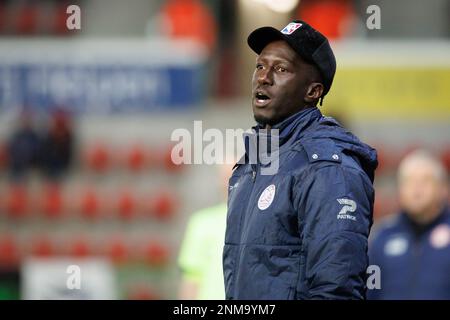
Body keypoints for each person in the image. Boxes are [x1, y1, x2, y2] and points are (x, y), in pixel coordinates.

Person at [223, 20, 378, 300]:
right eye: (260, 65)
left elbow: (336, 290)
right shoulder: (251, 165)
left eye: (280, 69)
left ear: (313, 92)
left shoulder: (327, 168)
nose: (263, 77)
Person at [368, 150, 450, 300]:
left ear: (443, 188)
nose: (416, 189)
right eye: (409, 181)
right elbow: (371, 289)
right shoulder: (382, 236)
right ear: (399, 189)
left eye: (425, 181)